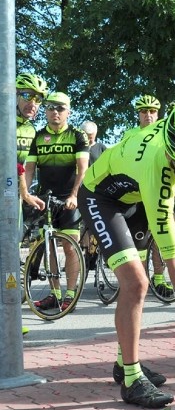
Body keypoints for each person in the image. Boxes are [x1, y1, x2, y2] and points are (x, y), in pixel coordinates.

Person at [79, 101, 175, 408]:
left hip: (132, 195)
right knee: (136, 282)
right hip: (100, 196)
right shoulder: (157, 173)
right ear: (171, 154)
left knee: (137, 281)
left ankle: (123, 364)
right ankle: (131, 380)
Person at [24, 92, 89, 314]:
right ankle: (55, 294)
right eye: (51, 107)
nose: (55, 112)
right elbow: (30, 170)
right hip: (45, 198)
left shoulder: (77, 135)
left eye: (60, 108)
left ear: (68, 112)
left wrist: (73, 195)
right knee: (49, 246)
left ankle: (70, 294)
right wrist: (27, 194)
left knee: (70, 246)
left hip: (69, 197)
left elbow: (83, 169)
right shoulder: (38, 136)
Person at [128, 94, 174, 298]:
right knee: (140, 242)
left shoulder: (164, 132)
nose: (148, 115)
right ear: (138, 114)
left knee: (160, 237)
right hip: (137, 192)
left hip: (159, 190)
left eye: (152, 111)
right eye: (144, 111)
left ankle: (159, 279)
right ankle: (139, 279)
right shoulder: (130, 134)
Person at [15, 73, 48, 214]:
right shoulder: (4, 123)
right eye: (28, 96)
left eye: (38, 99)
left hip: (14, 196)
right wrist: (25, 192)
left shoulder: (31, 130)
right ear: (15, 95)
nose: (33, 103)